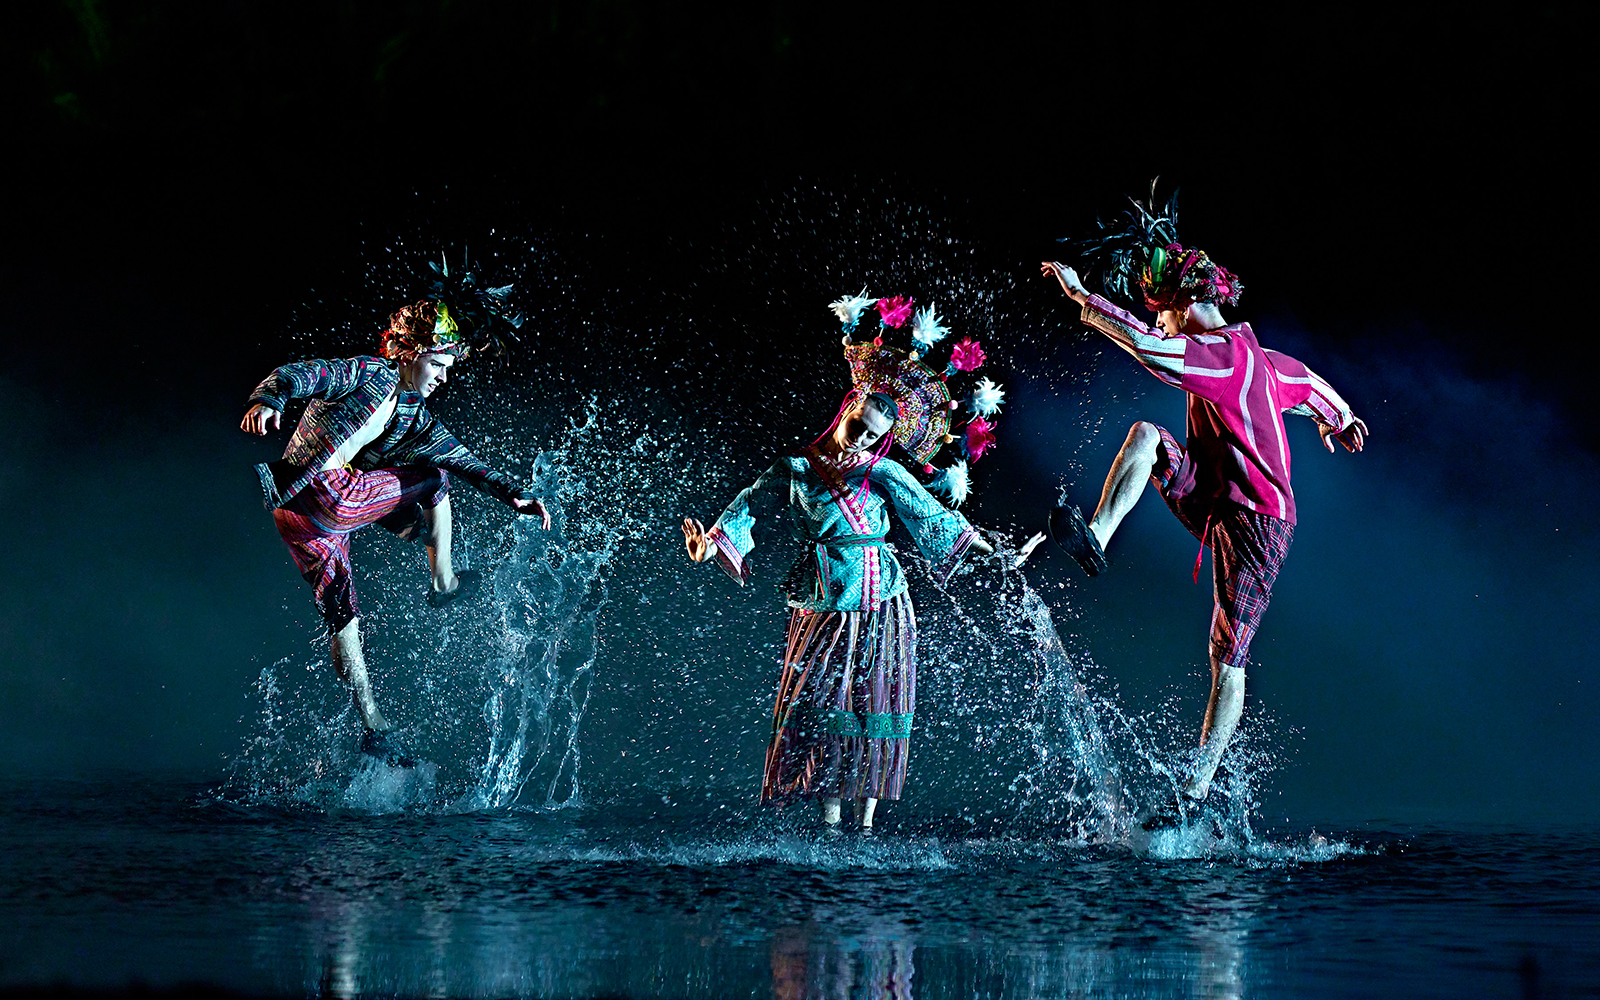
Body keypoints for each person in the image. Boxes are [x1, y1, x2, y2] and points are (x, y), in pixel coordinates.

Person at [1034, 188, 1367, 825]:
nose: (1158, 321)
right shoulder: (1262, 361)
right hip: (1216, 502)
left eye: (1162, 312)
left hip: (1260, 522)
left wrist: (1083, 300)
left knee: (1228, 653)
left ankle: (1197, 787)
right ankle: (1097, 537)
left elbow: (1148, 349)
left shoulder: (1218, 358)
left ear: (1186, 308)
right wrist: (1338, 419)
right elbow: (1311, 384)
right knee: (1148, 440)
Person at [682, 292, 1008, 833]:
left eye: (875, 436)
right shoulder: (796, 469)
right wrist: (712, 546)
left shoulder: (881, 474)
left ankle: (865, 823)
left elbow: (936, 519)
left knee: (878, 699)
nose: (862, 440)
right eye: (859, 425)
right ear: (848, 408)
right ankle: (830, 817)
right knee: (822, 701)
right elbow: (744, 510)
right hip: (825, 598)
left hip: (885, 599)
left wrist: (992, 550)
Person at [241, 294, 550, 766]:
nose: (444, 377)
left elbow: (460, 454)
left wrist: (512, 493)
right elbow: (303, 374)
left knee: (343, 616)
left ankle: (372, 726)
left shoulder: (412, 416)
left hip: (297, 518)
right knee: (433, 479)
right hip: (328, 496)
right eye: (440, 363)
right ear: (411, 351)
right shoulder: (372, 373)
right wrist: (268, 398)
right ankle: (444, 581)